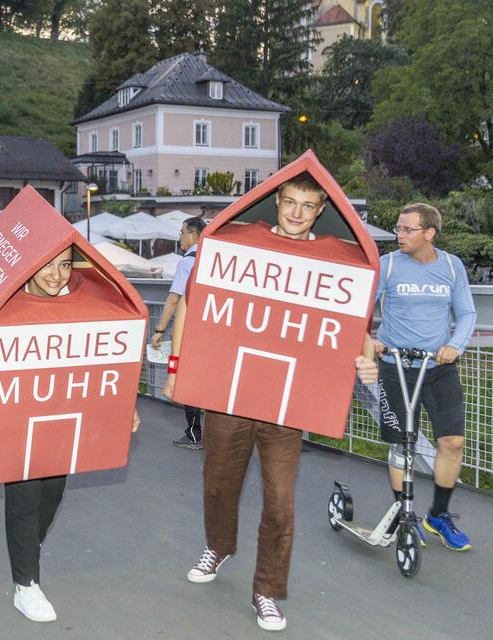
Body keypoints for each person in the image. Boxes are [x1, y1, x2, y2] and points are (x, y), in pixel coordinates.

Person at [163, 173, 379, 631]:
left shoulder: (337, 261)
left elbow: (350, 319)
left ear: (321, 210)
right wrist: (177, 369)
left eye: (308, 205)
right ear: (276, 201)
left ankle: (267, 591)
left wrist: (365, 359)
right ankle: (219, 546)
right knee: (219, 485)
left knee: (280, 504)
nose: (297, 212)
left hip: (288, 403)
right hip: (231, 396)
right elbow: (192, 305)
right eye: (290, 202)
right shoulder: (237, 245)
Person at [0, 246, 139, 623]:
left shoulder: (83, 307)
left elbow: (101, 363)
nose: (56, 274)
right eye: (47, 264)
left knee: (51, 495)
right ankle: (26, 585)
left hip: (59, 420)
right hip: (16, 421)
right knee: (23, 495)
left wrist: (123, 404)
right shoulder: (2, 308)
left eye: (65, 264)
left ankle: (25, 551)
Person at [374, 202, 476, 551]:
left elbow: (465, 312)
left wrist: (456, 345)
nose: (399, 235)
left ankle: (438, 515)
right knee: (402, 443)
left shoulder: (451, 266)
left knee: (453, 442)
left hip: (438, 368)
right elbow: (359, 311)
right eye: (398, 228)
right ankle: (406, 515)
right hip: (396, 367)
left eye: (407, 229)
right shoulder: (386, 267)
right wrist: (369, 342)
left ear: (429, 233)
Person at [151, 216, 206, 448]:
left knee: (188, 381)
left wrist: (160, 330)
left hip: (192, 334)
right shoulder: (212, 258)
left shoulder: (187, 262)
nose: (180, 238)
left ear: (193, 235)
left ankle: (194, 434)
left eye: (182, 233)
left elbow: (175, 300)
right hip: (210, 332)